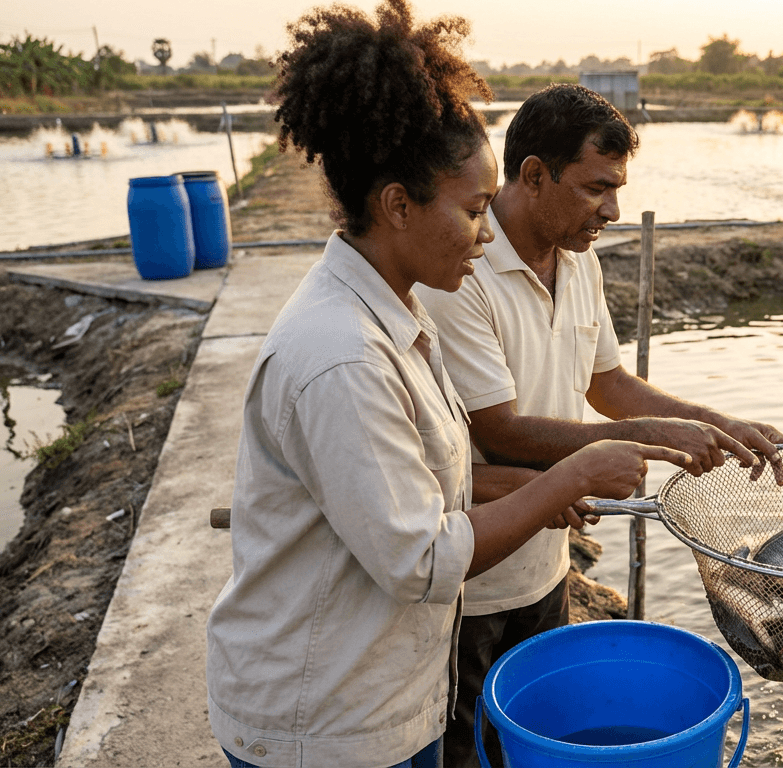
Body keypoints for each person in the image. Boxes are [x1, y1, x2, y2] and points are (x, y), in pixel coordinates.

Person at [204, 6, 689, 768]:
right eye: (471, 211)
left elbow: (438, 487)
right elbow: (424, 560)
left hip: (390, 694)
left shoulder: (394, 315)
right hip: (327, 722)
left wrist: (538, 490)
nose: (487, 232)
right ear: (397, 205)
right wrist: (571, 472)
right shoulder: (343, 356)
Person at [414, 84, 783, 768]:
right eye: (597, 188)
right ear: (534, 175)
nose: (614, 211)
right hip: (474, 576)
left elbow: (607, 382)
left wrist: (716, 422)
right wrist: (641, 440)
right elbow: (499, 428)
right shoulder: (462, 269)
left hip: (547, 562)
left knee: (545, 739)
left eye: (618, 189)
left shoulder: (579, 259)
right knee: (470, 749)